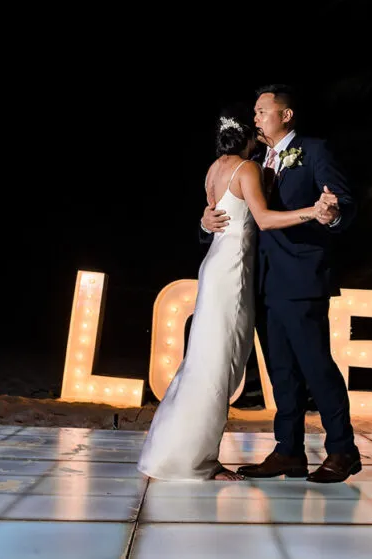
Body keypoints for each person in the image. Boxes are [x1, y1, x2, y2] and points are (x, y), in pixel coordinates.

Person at [137, 107, 336, 481]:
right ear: (247, 136)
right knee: (217, 369)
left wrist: (202, 219)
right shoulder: (247, 169)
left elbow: (215, 213)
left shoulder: (215, 168)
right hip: (233, 276)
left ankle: (177, 453)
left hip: (216, 268)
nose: (261, 128)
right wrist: (313, 211)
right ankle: (196, 461)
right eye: (256, 124)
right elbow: (261, 219)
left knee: (205, 364)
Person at [201, 84, 361, 483]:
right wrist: (204, 223)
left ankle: (342, 449)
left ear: (285, 115)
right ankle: (288, 451)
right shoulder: (251, 158)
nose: (255, 118)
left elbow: (342, 201)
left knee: (316, 366)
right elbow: (229, 209)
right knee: (281, 373)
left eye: (261, 111)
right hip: (259, 280)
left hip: (302, 277)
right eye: (253, 112)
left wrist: (331, 213)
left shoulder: (314, 150)